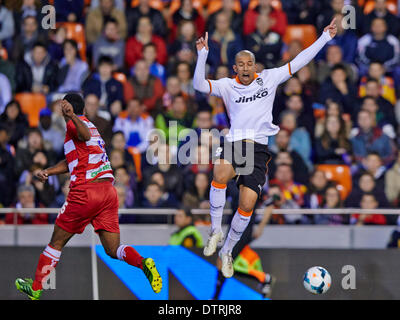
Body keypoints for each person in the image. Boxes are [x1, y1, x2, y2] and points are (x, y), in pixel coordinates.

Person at [193, 18, 337, 278]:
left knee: (247, 204)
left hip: (258, 149)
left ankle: (227, 251)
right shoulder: (227, 85)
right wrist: (202, 56)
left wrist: (324, 38)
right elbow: (199, 85)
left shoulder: (269, 78)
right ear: (235, 67)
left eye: (250, 63)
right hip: (235, 141)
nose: (246, 67)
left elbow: (300, 60)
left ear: (254, 66)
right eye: (242, 64)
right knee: (220, 173)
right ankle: (215, 230)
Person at [15, 94, 162, 300]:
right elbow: (72, 160)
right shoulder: (91, 127)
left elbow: (81, 134)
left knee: (56, 242)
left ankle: (36, 287)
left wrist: (72, 117)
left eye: (63, 105)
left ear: (67, 107)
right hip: (108, 193)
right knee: (113, 249)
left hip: (86, 192)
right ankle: (143, 263)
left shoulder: (76, 126)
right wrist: (48, 170)